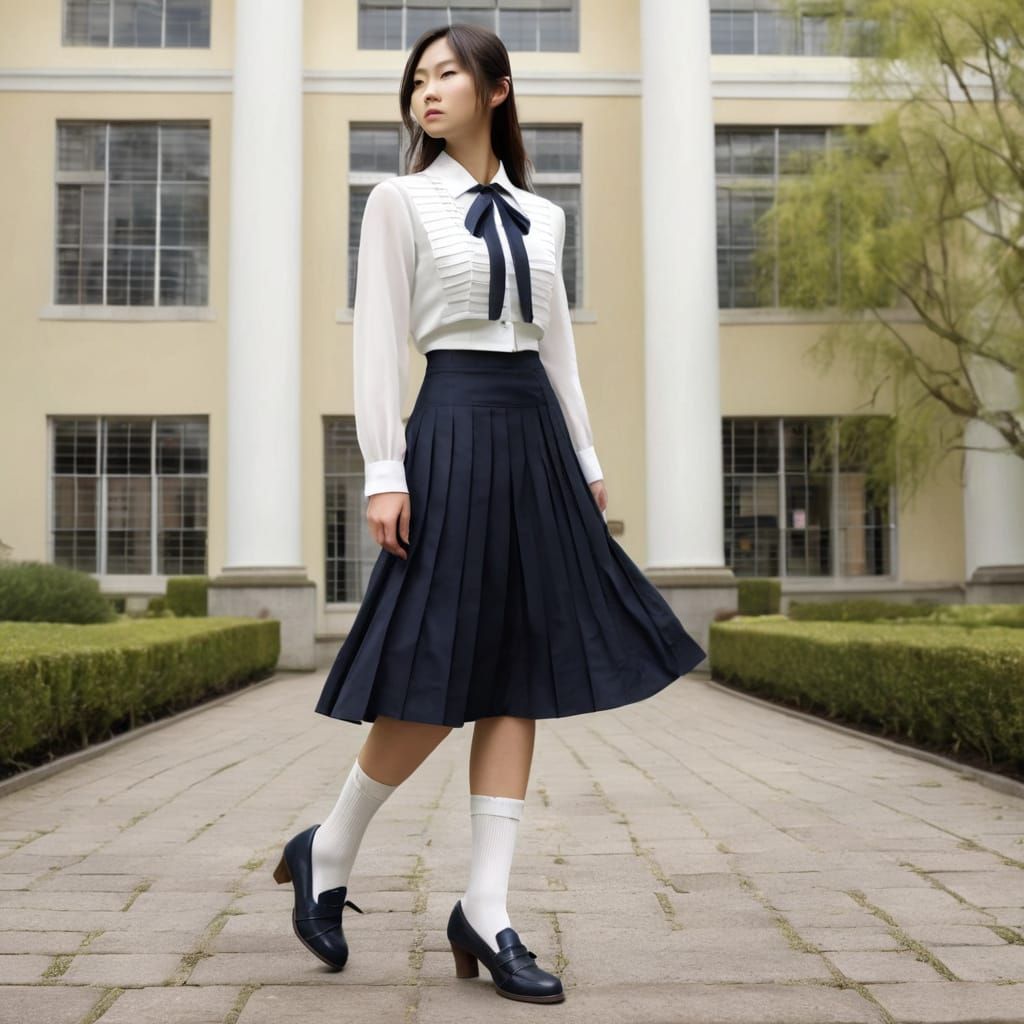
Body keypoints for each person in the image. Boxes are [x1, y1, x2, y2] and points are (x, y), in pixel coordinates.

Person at [272, 22, 707, 1004]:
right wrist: (384, 469)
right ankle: (328, 848)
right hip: (452, 428)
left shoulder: (544, 217)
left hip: (534, 436)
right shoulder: (398, 200)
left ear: (496, 89)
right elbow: (378, 337)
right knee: (432, 671)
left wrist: (586, 461)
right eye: (416, 79)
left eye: (447, 74)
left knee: (519, 671)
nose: (426, 91)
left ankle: (487, 904)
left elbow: (558, 348)